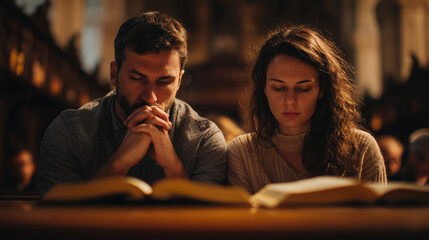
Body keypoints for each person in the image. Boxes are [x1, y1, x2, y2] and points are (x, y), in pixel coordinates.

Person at [38, 11, 227, 195]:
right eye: (137, 78)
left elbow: (203, 223)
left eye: (164, 81)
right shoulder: (68, 132)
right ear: (114, 74)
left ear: (179, 81)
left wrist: (172, 164)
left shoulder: (205, 140)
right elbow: (61, 220)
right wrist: (119, 162)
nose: (150, 97)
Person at [227, 26, 387, 194]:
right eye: (278, 88)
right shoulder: (243, 153)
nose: (290, 100)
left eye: (303, 88)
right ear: (264, 89)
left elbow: (380, 219)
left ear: (322, 89)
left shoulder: (360, 150)